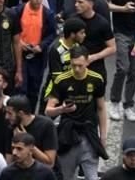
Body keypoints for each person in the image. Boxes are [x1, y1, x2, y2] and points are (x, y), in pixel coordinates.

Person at [45, 46, 108, 180]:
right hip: (68, 137)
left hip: (89, 135)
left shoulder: (96, 79)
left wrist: (103, 136)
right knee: (66, 176)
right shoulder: (61, 80)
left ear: (87, 62)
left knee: (92, 177)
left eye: (80, 65)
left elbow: (101, 108)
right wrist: (61, 109)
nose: (77, 69)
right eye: (74, 65)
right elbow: (48, 111)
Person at [11, 0, 55, 110]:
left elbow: (52, 34)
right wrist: (20, 43)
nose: (38, 0)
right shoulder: (18, 11)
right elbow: (13, 31)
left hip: (38, 56)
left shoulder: (48, 14)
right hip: (21, 54)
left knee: (35, 88)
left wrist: (41, 46)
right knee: (20, 87)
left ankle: (30, 113)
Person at [4, 95, 58, 170]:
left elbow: (50, 163)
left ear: (21, 113)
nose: (6, 117)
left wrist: (26, 141)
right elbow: (9, 163)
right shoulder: (12, 127)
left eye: (10, 113)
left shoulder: (46, 125)